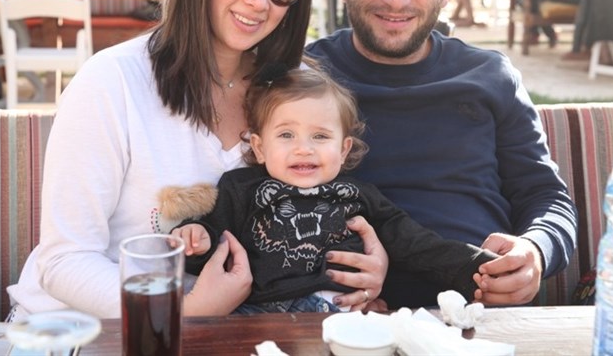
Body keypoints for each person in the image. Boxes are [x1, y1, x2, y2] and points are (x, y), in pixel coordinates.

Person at [6, 0, 388, 321]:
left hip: (230, 332)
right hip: (79, 328)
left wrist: (367, 266)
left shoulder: (296, 88)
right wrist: (180, 311)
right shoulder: (112, 81)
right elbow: (64, 261)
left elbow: (320, 207)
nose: (259, 1)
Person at [305, 0, 578, 309]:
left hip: (483, 316)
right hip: (347, 320)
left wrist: (535, 250)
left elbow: (546, 196)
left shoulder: (490, 75)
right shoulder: (304, 78)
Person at [168, 66, 497, 314]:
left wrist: (472, 267)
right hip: (259, 311)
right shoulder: (242, 189)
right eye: (286, 135)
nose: (304, 148)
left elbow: (414, 242)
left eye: (320, 136)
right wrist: (197, 238)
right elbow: (216, 241)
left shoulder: (356, 195)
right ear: (260, 147)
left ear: (343, 149)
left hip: (338, 311)